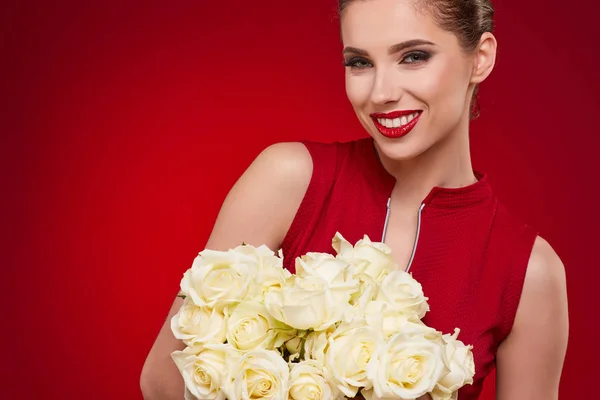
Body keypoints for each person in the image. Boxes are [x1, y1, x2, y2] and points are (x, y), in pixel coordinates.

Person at [140, 0, 569, 398]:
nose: (380, 92)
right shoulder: (288, 180)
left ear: (480, 57)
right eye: (360, 62)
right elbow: (162, 379)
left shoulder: (530, 272)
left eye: (413, 56)